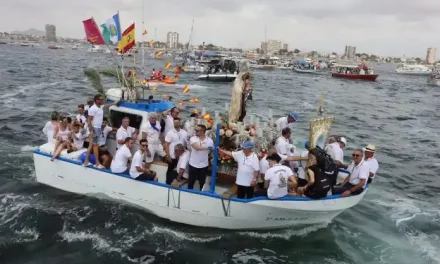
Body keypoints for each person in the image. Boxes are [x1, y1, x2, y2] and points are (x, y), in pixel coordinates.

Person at [84, 94, 113, 168]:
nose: (102, 101)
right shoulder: (93, 108)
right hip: (95, 128)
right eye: (100, 100)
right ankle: (97, 163)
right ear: (96, 100)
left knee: (91, 146)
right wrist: (92, 131)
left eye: (102, 100)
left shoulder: (100, 106)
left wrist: (115, 103)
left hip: (98, 128)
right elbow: (89, 120)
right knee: (95, 146)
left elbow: (106, 105)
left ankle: (86, 161)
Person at [188, 124, 214, 190]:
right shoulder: (193, 138)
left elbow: (210, 152)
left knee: (202, 183)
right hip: (193, 164)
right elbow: (196, 147)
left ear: (202, 131)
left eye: (197, 130)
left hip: (203, 165)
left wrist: (209, 149)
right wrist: (207, 147)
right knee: (191, 182)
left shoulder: (209, 141)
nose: (195, 132)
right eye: (195, 130)